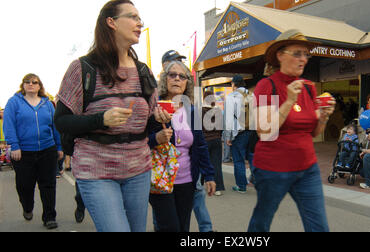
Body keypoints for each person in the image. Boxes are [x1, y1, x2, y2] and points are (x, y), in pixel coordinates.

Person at [55, 0, 162, 232]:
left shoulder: (144, 71)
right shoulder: (83, 68)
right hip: (96, 171)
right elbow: (61, 120)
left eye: (139, 17)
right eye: (132, 17)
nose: (139, 23)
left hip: (138, 170)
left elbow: (151, 120)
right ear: (111, 22)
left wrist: (160, 118)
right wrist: (101, 119)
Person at [248, 29, 335, 232]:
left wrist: (324, 116)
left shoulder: (308, 87)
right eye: (297, 53)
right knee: (261, 222)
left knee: (319, 227)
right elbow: (264, 133)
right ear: (280, 55)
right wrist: (288, 101)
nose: (303, 59)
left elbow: (314, 133)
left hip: (307, 168)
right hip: (272, 170)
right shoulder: (266, 85)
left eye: (306, 54)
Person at [148, 60, 216, 232]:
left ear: (187, 83)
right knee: (169, 227)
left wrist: (209, 175)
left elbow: (200, 146)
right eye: (172, 75)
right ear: (165, 80)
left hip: (187, 180)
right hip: (161, 181)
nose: (177, 79)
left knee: (183, 227)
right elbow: (140, 141)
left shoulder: (191, 111)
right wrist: (156, 138)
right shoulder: (154, 108)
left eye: (182, 76)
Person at [3, 73, 63, 229]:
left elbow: (55, 126)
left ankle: (49, 217)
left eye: (34, 82)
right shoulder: (14, 103)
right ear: (23, 85)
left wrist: (59, 146)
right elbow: (8, 125)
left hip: (47, 150)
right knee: (24, 186)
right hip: (23, 152)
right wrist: (14, 145)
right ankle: (27, 208)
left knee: (48, 185)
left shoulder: (48, 104)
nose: (31, 84)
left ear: (39, 86)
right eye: (27, 82)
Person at [224, 75, 252, 193]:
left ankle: (241, 186)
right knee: (252, 158)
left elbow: (228, 119)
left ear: (234, 84)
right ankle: (259, 182)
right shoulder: (252, 94)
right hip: (253, 131)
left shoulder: (232, 96)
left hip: (239, 133)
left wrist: (228, 137)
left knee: (239, 160)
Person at [202, 90, 225, 195]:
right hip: (216, 140)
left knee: (203, 163)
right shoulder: (218, 111)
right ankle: (218, 188)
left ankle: (201, 185)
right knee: (216, 164)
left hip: (205, 140)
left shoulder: (200, 110)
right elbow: (221, 127)